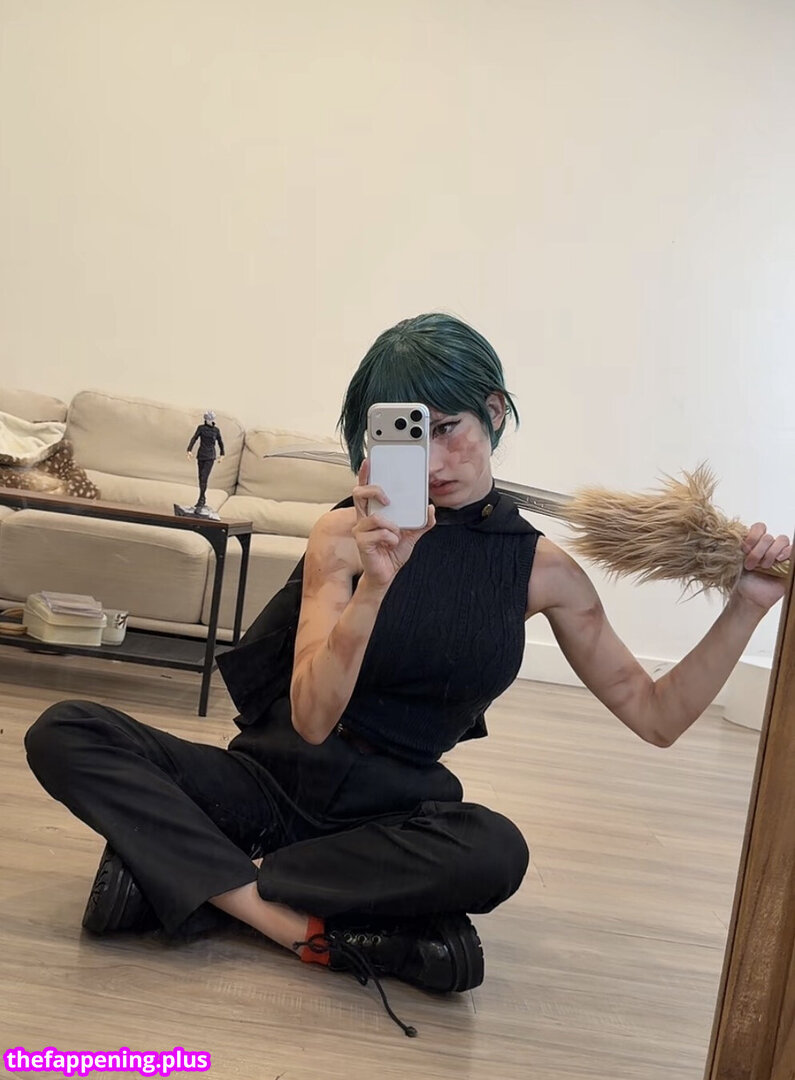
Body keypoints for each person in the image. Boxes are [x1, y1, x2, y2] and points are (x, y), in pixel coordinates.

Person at [24, 314, 791, 1037]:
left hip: (388, 817)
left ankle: (183, 877)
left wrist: (747, 606)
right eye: (406, 436)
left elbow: (654, 714)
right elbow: (312, 718)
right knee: (69, 730)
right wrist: (374, 586)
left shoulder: (541, 570)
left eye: (446, 428)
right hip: (262, 785)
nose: (430, 463)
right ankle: (289, 922)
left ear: (493, 411)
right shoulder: (343, 533)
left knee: (495, 851)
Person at [186, 410, 225, 508]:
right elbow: (194, 438)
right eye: (208, 418)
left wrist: (222, 454)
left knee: (204, 477)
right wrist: (189, 450)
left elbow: (220, 442)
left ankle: (201, 499)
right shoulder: (201, 428)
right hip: (201, 455)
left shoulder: (216, 430)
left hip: (210, 457)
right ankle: (202, 498)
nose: (209, 420)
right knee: (200, 478)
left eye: (211, 418)